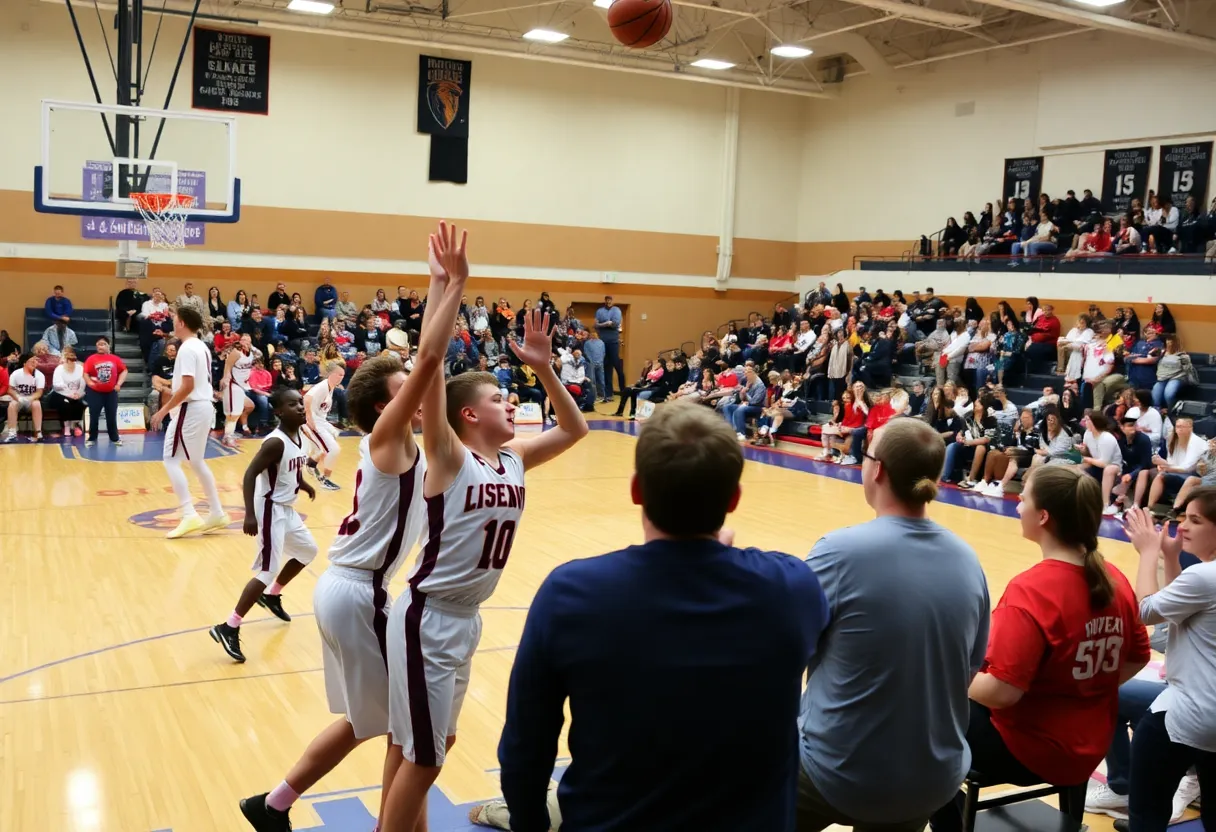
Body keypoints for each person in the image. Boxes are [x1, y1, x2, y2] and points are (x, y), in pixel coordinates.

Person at [487, 403, 829, 831]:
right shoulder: (792, 588)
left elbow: (525, 746)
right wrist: (719, 554)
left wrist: (530, 823)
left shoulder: (571, 593)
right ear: (734, 499)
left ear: (636, 490)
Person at [377, 224, 589, 832]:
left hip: (465, 617)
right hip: (428, 614)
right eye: (500, 399)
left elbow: (575, 431)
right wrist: (448, 284)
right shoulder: (448, 454)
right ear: (469, 414)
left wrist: (546, 371)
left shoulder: (514, 457)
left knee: (414, 746)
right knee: (426, 755)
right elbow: (430, 360)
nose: (511, 405)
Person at [237, 271, 452, 832]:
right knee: (405, 729)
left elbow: (431, 370)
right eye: (405, 385)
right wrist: (443, 286)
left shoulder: (412, 444)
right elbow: (429, 360)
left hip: (352, 589)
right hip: (360, 593)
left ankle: (274, 804)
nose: (421, 389)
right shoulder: (388, 440)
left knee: (371, 722)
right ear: (389, 404)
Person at [928, 465, 1150, 831]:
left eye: (1024, 499)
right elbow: (1138, 656)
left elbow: (1001, 693)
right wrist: (1082, 685)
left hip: (1031, 750)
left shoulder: (1032, 590)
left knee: (922, 720)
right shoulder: (1115, 578)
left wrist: (949, 674)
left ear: (1043, 516)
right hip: (1089, 742)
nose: (1017, 506)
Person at [798, 418, 990, 831]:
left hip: (842, 775)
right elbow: (971, 668)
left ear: (878, 469)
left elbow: (784, 650)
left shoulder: (838, 552)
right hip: (931, 780)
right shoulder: (967, 559)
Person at [1123, 498, 1216, 830]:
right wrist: (1171, 556)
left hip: (1189, 714)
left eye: (1196, 520)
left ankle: (1119, 787)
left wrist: (1148, 552)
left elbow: (1145, 611)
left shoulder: (1206, 577)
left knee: (1146, 817)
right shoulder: (1202, 578)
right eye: (1183, 518)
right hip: (1212, 717)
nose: (1184, 526)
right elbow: (1179, 613)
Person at [209, 389, 317, 664]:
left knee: (308, 551)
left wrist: (301, 483)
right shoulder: (274, 443)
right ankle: (229, 626)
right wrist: (249, 514)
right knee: (267, 569)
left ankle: (272, 596)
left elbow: (292, 467)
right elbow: (250, 474)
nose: (300, 408)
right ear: (279, 412)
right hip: (269, 509)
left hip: (286, 507)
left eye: (300, 403)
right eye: (292, 404)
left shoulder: (300, 435)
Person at [150, 308, 228, 540]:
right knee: (195, 461)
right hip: (203, 407)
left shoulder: (186, 348)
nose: (172, 324)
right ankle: (216, 512)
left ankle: (188, 513)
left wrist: (162, 411)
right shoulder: (201, 346)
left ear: (181, 323)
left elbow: (187, 386)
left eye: (174, 321)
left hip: (191, 408)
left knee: (171, 460)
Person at [301, 360, 346, 491]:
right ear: (331, 374)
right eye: (339, 374)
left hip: (321, 420)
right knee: (334, 449)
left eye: (343, 375)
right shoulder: (322, 387)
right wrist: (309, 419)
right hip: (313, 421)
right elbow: (307, 398)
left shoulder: (330, 387)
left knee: (333, 434)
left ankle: (311, 463)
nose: (341, 377)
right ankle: (325, 480)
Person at [82, 336, 128, 447]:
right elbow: (85, 373)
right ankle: (92, 438)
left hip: (111, 392)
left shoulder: (115, 359)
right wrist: (89, 382)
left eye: (103, 344)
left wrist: (118, 384)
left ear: (108, 346)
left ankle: (114, 438)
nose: (100, 346)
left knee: (111, 415)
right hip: (95, 392)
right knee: (94, 415)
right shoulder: (91, 358)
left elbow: (124, 371)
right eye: (98, 344)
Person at [220, 335, 259, 445]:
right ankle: (228, 436)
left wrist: (252, 347)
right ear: (240, 341)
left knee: (246, 407)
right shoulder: (236, 352)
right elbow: (227, 365)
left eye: (248, 340)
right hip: (233, 384)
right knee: (234, 412)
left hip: (242, 385)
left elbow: (260, 354)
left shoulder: (252, 352)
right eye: (243, 339)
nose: (245, 342)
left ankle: (228, 433)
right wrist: (225, 377)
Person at [3, 353, 45, 443]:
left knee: (37, 403)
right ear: (24, 363)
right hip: (19, 399)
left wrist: (30, 398)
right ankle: (12, 434)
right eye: (32, 361)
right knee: (12, 405)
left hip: (31, 400)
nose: (34, 363)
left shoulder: (39, 375)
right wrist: (18, 397)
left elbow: (39, 392)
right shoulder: (16, 374)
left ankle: (38, 432)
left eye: (35, 361)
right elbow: (10, 390)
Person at [49, 346, 87, 438]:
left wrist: (78, 393)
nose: (71, 362)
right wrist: (69, 393)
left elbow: (82, 384)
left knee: (79, 403)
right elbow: (57, 385)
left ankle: (75, 426)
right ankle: (66, 428)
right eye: (68, 359)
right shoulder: (59, 369)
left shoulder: (80, 368)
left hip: (76, 394)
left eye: (73, 359)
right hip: (61, 394)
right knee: (66, 403)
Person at [595, 295, 625, 400]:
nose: (608, 301)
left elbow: (615, 323)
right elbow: (596, 325)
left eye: (610, 300)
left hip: (613, 342)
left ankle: (623, 390)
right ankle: (609, 393)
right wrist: (607, 323)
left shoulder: (616, 310)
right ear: (605, 301)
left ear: (612, 301)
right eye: (607, 300)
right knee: (607, 367)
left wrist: (603, 324)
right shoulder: (600, 311)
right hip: (603, 342)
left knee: (617, 366)